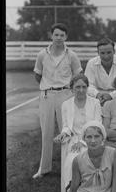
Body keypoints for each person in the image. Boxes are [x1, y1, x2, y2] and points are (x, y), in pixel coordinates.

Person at [32, 22, 82, 179]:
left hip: (66, 95)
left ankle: (68, 168)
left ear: (66, 37)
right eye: (56, 35)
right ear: (51, 35)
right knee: (46, 132)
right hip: (47, 95)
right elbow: (38, 75)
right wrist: (48, 86)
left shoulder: (72, 55)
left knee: (66, 131)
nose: (59, 38)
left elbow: (78, 75)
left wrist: (67, 90)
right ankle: (44, 168)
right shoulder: (42, 54)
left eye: (62, 35)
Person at [54, 73, 102, 192]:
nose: (81, 90)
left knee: (85, 159)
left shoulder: (95, 103)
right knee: (72, 161)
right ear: (72, 89)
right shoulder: (66, 104)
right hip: (73, 140)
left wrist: (83, 142)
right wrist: (63, 134)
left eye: (84, 87)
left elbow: (97, 125)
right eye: (77, 87)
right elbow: (66, 126)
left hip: (92, 140)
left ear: (87, 88)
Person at [84, 37, 116, 106]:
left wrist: (111, 96)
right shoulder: (91, 63)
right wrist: (97, 95)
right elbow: (88, 85)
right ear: (98, 53)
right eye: (102, 53)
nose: (106, 56)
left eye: (109, 52)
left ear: (114, 51)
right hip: (97, 94)